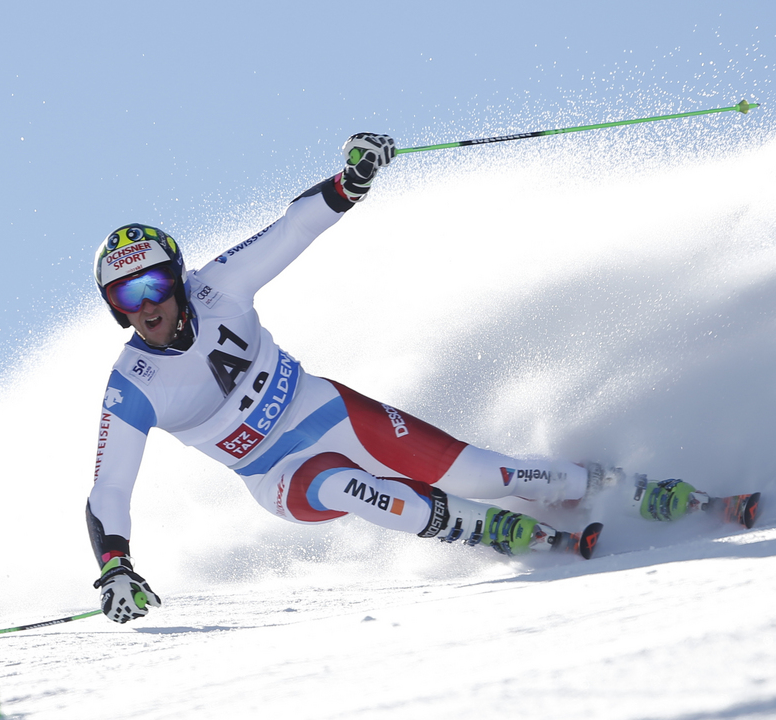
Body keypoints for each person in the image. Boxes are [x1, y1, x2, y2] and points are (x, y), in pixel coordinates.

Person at [87, 133, 621, 624]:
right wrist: (115, 566)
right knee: (348, 487)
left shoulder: (218, 287)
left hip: (329, 410)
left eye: (153, 284)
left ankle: (605, 484)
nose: (147, 306)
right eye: (126, 297)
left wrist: (351, 182)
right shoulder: (133, 384)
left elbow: (292, 228)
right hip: (277, 473)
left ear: (178, 277)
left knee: (480, 473)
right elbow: (109, 486)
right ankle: (493, 532)